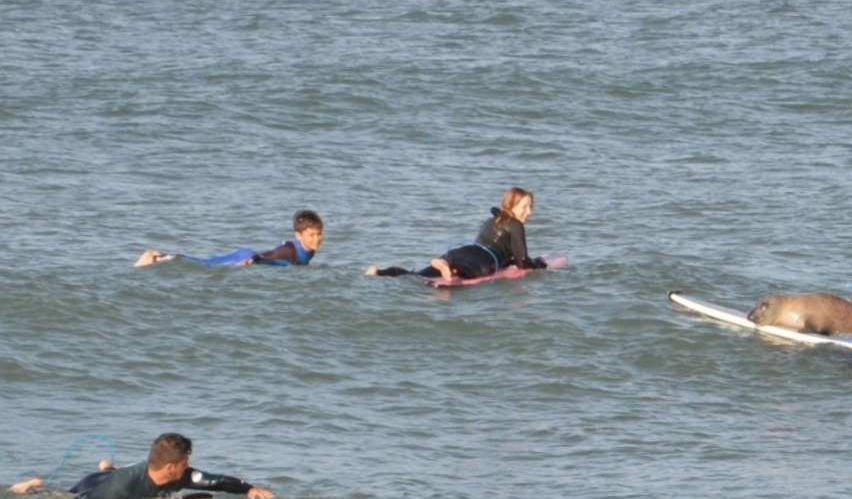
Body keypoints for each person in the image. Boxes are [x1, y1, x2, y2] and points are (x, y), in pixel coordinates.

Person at [10, 433, 275, 499]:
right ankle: (31, 487)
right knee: (63, 495)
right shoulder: (121, 486)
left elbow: (217, 482)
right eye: (185, 461)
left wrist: (249, 488)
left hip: (123, 475)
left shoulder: (181, 474)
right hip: (95, 484)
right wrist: (40, 497)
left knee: (115, 472)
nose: (189, 466)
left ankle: (108, 466)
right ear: (171, 466)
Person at [366, 187, 547, 280]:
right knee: (464, 272)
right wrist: (539, 263)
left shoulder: (491, 221)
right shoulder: (515, 225)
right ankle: (447, 265)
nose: (529, 212)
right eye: (524, 207)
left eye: (531, 207)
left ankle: (380, 273)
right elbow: (523, 263)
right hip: (481, 260)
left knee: (417, 276)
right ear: (511, 206)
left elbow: (508, 253)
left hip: (466, 250)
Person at [134, 210, 323, 267]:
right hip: (247, 257)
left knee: (205, 263)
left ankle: (158, 257)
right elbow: (269, 255)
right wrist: (252, 260)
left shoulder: (309, 250)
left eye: (319, 233)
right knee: (204, 265)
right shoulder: (291, 250)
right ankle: (155, 258)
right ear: (298, 235)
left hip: (248, 256)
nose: (317, 239)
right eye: (312, 235)